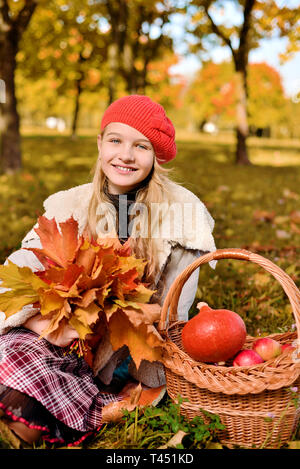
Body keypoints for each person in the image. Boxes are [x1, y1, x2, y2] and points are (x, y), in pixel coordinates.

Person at [0, 95, 216, 447]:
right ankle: (36, 408)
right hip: (61, 335)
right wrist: (40, 324)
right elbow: (21, 270)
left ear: (156, 155)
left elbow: (174, 310)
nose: (126, 155)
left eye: (141, 146)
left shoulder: (183, 216)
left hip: (123, 352)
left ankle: (96, 405)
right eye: (115, 140)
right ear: (100, 143)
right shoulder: (68, 205)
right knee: (9, 353)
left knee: (25, 419)